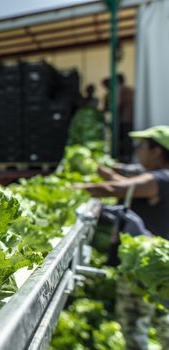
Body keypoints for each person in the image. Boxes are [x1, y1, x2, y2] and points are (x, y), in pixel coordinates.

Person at [75, 125, 169, 350]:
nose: (138, 151)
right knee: (162, 319)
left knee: (136, 323)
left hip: (144, 266)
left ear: (157, 151)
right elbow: (122, 184)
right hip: (155, 264)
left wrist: (75, 186)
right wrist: (102, 172)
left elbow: (115, 188)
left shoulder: (159, 179)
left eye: (142, 146)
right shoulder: (159, 178)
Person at [101, 74, 135, 162]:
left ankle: (123, 159)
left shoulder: (118, 89)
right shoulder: (129, 90)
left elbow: (115, 105)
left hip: (123, 120)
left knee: (123, 140)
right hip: (130, 119)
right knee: (127, 140)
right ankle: (127, 157)